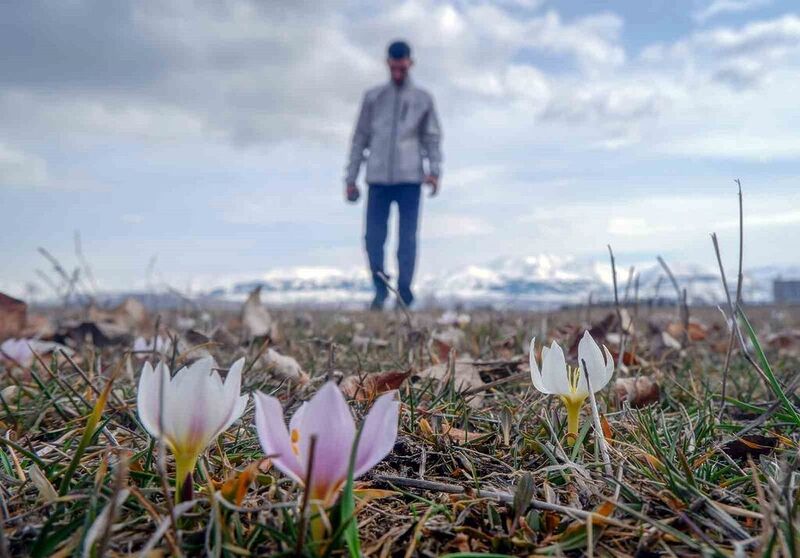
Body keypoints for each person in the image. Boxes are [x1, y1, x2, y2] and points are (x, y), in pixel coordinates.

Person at [344, 40, 443, 310]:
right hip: (377, 179)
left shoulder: (423, 99)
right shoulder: (373, 98)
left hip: (410, 179)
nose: (398, 69)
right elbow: (359, 138)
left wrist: (434, 172)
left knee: (407, 239)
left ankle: (404, 293)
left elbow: (431, 138)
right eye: (393, 64)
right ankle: (380, 288)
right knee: (373, 238)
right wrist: (350, 178)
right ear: (388, 63)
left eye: (402, 64)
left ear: (410, 63)